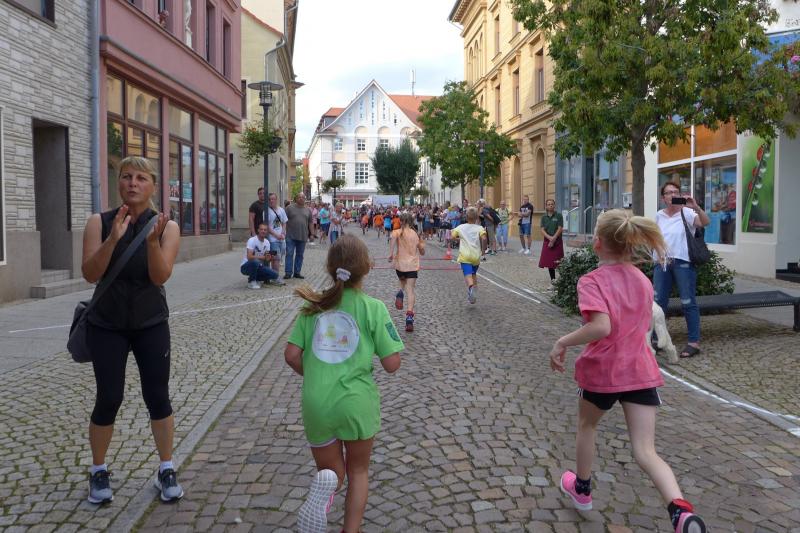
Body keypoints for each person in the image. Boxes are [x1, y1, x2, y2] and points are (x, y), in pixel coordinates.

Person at [548, 209, 706, 533]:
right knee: (646, 451)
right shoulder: (642, 280)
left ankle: (582, 489)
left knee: (587, 426)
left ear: (597, 243)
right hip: (640, 370)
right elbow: (642, 324)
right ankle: (680, 511)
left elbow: (601, 327)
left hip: (604, 371)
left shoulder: (591, 281)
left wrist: (562, 342)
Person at [80, 156, 183, 504]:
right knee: (109, 397)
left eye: (140, 178)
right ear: (118, 182)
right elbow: (90, 274)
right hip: (107, 325)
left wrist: (151, 243)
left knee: (158, 396)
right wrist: (112, 239)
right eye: (126, 177)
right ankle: (98, 470)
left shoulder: (166, 227)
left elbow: (160, 276)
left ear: (153, 185)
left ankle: (166, 468)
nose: (132, 183)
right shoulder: (99, 222)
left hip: (150, 323)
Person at [284, 235, 403, 533]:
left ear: (329, 267)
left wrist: (314, 374)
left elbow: (291, 355)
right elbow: (392, 364)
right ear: (368, 267)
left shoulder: (313, 306)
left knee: (330, 473)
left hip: (317, 401)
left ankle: (325, 496)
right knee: (358, 471)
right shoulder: (373, 307)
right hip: (356, 402)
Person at [653, 182, 710, 358]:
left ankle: (693, 343)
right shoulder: (659, 215)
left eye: (676, 192)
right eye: (669, 192)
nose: (673, 195)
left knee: (688, 301)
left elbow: (705, 223)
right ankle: (657, 339)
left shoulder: (687, 212)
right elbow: (654, 238)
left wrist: (696, 207)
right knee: (658, 303)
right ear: (663, 198)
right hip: (662, 263)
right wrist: (655, 255)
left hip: (683, 263)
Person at [388, 213, 426, 332]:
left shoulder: (397, 232)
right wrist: (421, 246)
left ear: (401, 221)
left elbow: (392, 240)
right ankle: (409, 317)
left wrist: (391, 254)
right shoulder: (415, 234)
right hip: (412, 265)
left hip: (400, 264)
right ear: (411, 221)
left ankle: (400, 293)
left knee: (401, 281)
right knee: (410, 290)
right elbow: (422, 252)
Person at [450, 207, 487, 304]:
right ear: (477, 217)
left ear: (466, 217)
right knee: (473, 274)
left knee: (468, 274)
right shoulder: (480, 228)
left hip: (465, 256)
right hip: (476, 256)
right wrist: (483, 250)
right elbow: (484, 238)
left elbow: (452, 237)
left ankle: (471, 288)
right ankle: (474, 293)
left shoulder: (460, 227)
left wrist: (459, 240)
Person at [241, 223, 281, 289]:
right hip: (246, 266)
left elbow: (266, 259)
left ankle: (256, 278)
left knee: (275, 275)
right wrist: (263, 257)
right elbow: (249, 257)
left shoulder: (267, 242)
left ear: (267, 232)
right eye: (261, 229)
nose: (263, 231)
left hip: (259, 266)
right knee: (255, 262)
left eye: (265, 230)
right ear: (258, 230)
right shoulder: (252, 240)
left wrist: (271, 258)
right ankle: (251, 282)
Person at [285, 193, 314, 280]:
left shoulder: (308, 210)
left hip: (303, 236)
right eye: (299, 197)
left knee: (300, 255)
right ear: (296, 198)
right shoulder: (289, 208)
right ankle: (288, 273)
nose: (301, 199)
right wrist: (283, 232)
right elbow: (284, 220)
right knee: (289, 254)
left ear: (305, 199)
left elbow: (310, 222)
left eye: (303, 197)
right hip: (290, 235)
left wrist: (312, 234)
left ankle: (297, 272)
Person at [539, 199, 565, 284]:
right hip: (547, 241)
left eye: (552, 204)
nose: (550, 205)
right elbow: (542, 229)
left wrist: (553, 239)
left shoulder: (559, 216)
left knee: (559, 261)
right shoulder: (543, 217)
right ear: (546, 206)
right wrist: (550, 238)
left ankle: (563, 280)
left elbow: (560, 228)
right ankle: (553, 280)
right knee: (550, 263)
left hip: (557, 241)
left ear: (554, 205)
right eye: (549, 204)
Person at [266, 192, 288, 284]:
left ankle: (274, 275)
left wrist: (283, 233)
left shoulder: (281, 210)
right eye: (270, 199)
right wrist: (276, 235)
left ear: (276, 200)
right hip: (273, 239)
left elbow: (284, 222)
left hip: (281, 239)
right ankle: (276, 277)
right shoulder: (266, 211)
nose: (272, 201)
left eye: (273, 199)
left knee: (279, 258)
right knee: (275, 258)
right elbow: (267, 227)